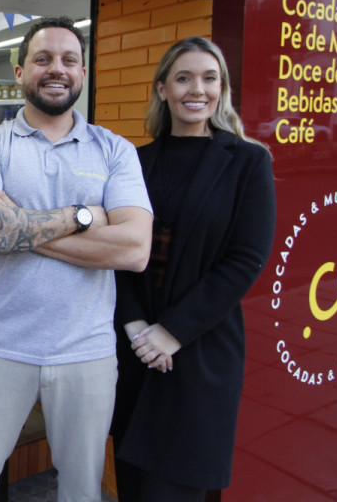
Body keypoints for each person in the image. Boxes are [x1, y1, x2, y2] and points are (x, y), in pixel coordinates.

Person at [0, 17, 153, 502]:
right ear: (19, 72)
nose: (55, 69)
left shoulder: (115, 150)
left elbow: (134, 250)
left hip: (87, 352)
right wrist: (83, 215)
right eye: (42, 59)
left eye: (68, 60)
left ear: (82, 72)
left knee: (82, 490)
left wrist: (18, 226)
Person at [111, 37, 276, 502]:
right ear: (162, 88)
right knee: (135, 484)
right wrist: (139, 325)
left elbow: (246, 259)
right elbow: (118, 253)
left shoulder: (247, 161)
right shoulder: (134, 162)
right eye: (183, 77)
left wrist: (173, 332)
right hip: (138, 351)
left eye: (209, 78)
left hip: (199, 350)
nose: (196, 89)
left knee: (179, 487)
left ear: (221, 89)